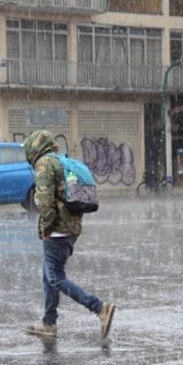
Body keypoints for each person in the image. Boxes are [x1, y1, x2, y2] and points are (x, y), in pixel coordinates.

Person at [21, 129, 116, 348]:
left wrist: (45, 229)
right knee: (49, 275)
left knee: (55, 277)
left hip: (57, 230)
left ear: (34, 147)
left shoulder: (44, 164)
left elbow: (45, 203)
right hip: (71, 227)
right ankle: (49, 322)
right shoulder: (60, 161)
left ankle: (99, 308)